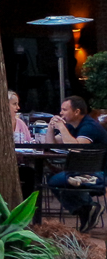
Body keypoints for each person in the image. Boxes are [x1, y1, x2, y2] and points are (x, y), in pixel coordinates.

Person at [46, 95, 107, 227]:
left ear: (77, 111)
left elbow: (76, 148)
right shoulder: (74, 126)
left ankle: (88, 207)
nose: (61, 113)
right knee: (53, 178)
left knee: (55, 180)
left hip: (98, 174)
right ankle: (87, 209)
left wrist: (62, 127)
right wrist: (51, 127)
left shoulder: (89, 127)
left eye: (64, 110)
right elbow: (52, 144)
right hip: (80, 171)